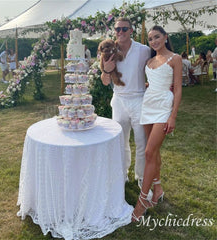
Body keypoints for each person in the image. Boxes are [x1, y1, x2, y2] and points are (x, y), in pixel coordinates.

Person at [131, 26, 182, 222]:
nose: (154, 41)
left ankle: (142, 201)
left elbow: (177, 89)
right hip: (148, 105)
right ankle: (158, 188)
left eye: (157, 37)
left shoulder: (175, 58)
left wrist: (173, 117)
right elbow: (153, 82)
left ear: (165, 37)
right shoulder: (149, 61)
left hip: (163, 107)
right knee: (154, 151)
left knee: (149, 152)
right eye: (151, 39)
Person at [101, 17, 152, 197]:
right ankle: (121, 174)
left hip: (139, 99)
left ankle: (140, 176)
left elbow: (157, 66)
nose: (120, 32)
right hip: (119, 100)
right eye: (117, 29)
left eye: (124, 29)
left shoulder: (144, 50)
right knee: (120, 141)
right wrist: (106, 69)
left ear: (132, 31)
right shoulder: (109, 51)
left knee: (141, 141)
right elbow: (106, 81)